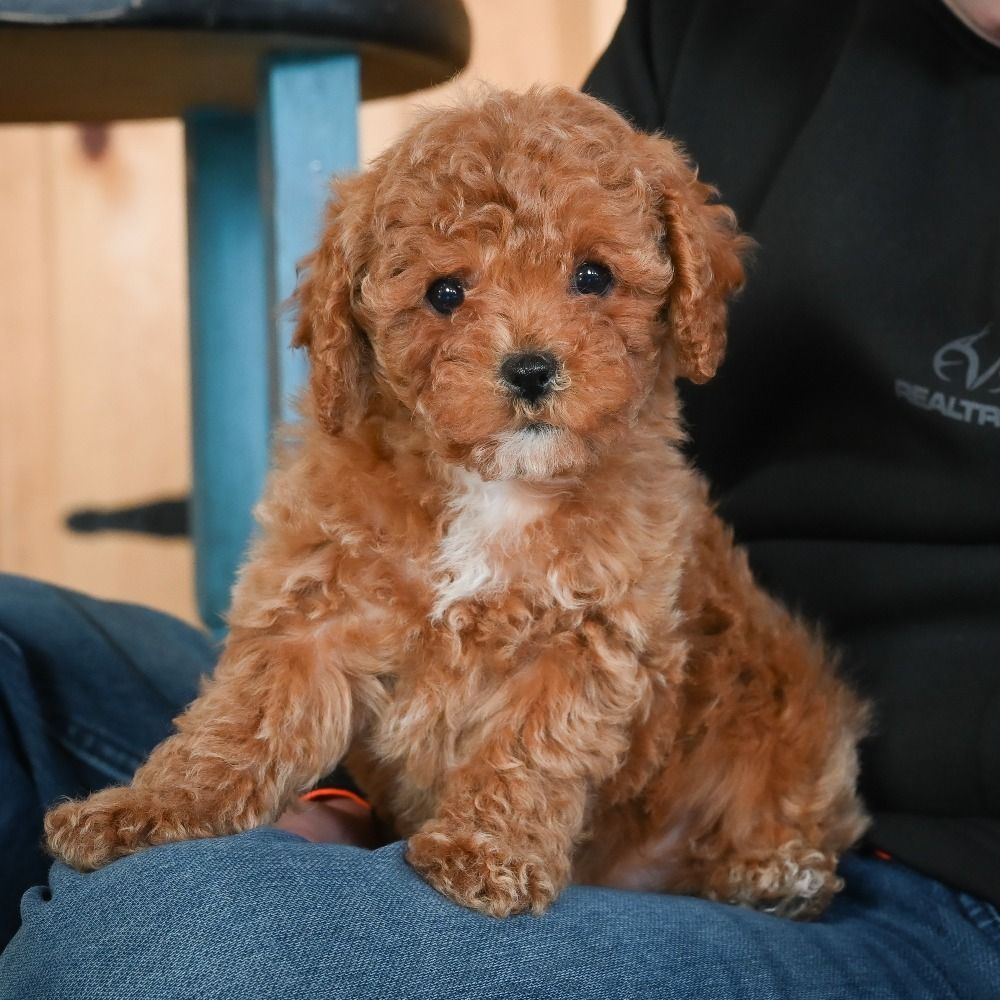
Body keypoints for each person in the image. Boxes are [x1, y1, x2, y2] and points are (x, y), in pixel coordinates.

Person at [1, 1, 998, 996]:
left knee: (150, 944)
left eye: (591, 279)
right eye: (447, 294)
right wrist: (329, 788)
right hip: (408, 762)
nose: (528, 344)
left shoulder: (626, 505)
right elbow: (306, 639)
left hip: (894, 874)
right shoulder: (715, 22)